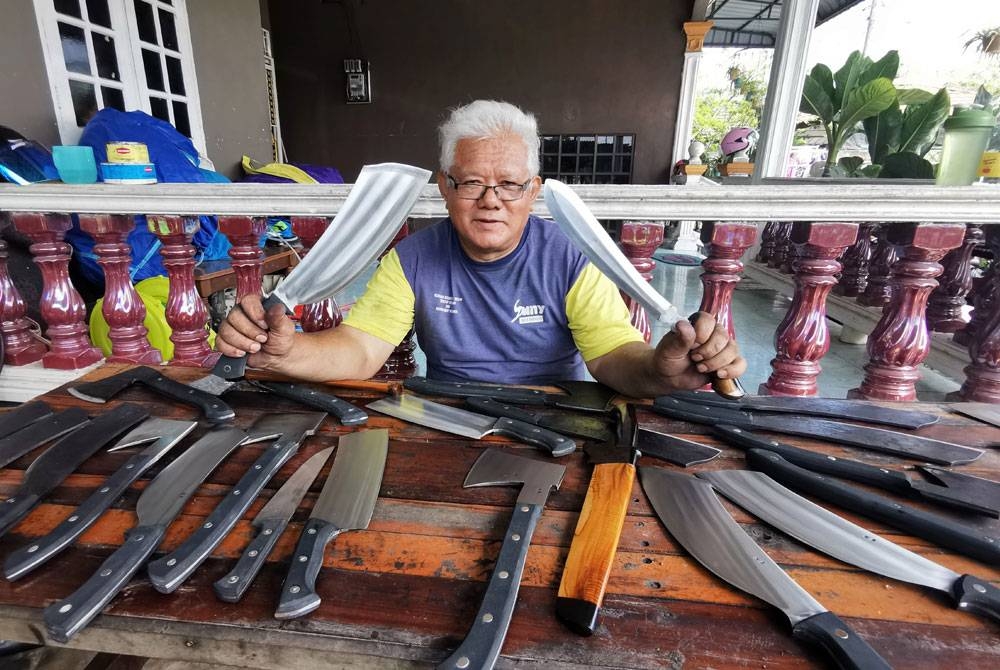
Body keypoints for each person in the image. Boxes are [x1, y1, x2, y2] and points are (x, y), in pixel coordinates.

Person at [217, 100, 746, 398]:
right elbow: (360, 349)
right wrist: (286, 353)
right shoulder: (412, 260)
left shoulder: (571, 256)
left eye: (510, 185)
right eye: (471, 182)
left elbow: (612, 355)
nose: (491, 200)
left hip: (556, 415)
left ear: (533, 191)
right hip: (450, 415)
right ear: (445, 188)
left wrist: (659, 371)